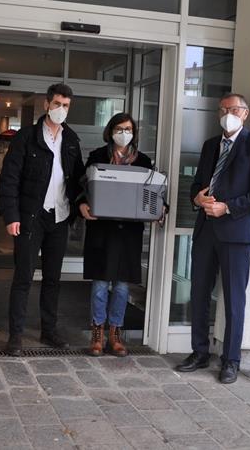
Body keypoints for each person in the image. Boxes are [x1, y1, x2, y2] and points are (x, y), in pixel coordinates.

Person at [175, 93, 250, 384]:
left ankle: (231, 360)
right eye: (222, 109)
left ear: (245, 113)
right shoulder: (209, 146)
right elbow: (197, 184)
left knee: (233, 300)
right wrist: (197, 198)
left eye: (232, 109)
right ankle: (200, 352)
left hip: (236, 234)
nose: (226, 114)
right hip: (206, 231)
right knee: (199, 294)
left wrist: (227, 207)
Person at [0, 83, 85, 356]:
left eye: (66, 106)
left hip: (59, 218)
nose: (61, 109)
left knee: (52, 279)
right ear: (47, 104)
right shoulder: (26, 137)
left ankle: (49, 331)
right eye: (57, 104)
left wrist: (81, 205)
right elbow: (10, 179)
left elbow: (78, 180)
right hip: (30, 218)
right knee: (23, 277)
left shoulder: (71, 140)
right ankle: (16, 336)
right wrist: (11, 216)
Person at [79, 113, 163, 357]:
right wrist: (82, 205)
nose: (124, 133)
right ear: (111, 131)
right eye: (119, 128)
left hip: (128, 233)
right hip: (102, 230)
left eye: (128, 128)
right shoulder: (97, 156)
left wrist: (160, 207)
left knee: (122, 286)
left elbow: (153, 193)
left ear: (134, 132)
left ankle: (115, 334)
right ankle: (97, 333)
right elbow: (82, 187)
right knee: (100, 284)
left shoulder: (144, 161)